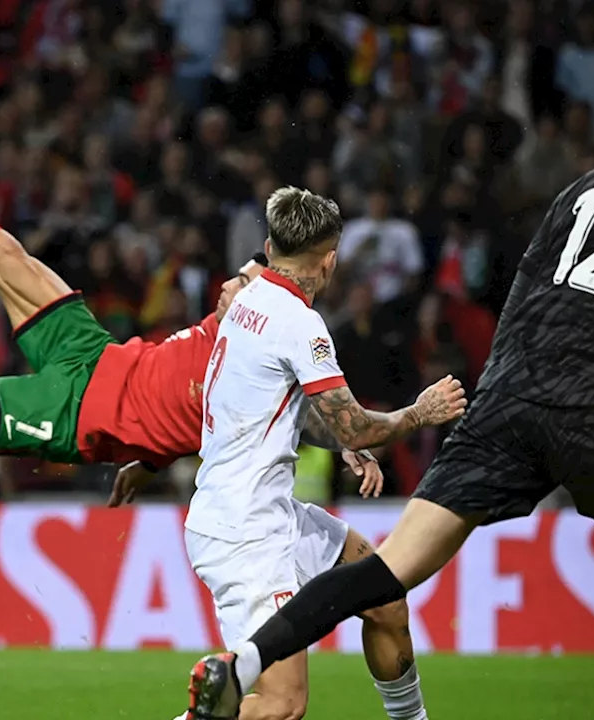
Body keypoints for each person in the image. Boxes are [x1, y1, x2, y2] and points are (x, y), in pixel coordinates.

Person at [0, 81, 451, 720]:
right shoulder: (266, 301)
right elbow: (296, 386)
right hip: (96, 365)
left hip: (96, 421)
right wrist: (369, 425)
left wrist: (160, 449)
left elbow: (290, 412)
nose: (236, 282)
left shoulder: (267, 331)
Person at [186, 57, 594, 720]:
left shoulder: (582, 187)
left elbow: (528, 288)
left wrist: (500, 392)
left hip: (507, 400)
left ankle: (243, 664)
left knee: (387, 572)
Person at [185, 185, 466, 720]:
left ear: (269, 248)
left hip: (261, 514)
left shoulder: (246, 301)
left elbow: (300, 412)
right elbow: (358, 426)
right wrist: (419, 413)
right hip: (246, 534)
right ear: (331, 261)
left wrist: (339, 440)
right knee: (282, 705)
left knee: (384, 594)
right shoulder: (299, 322)